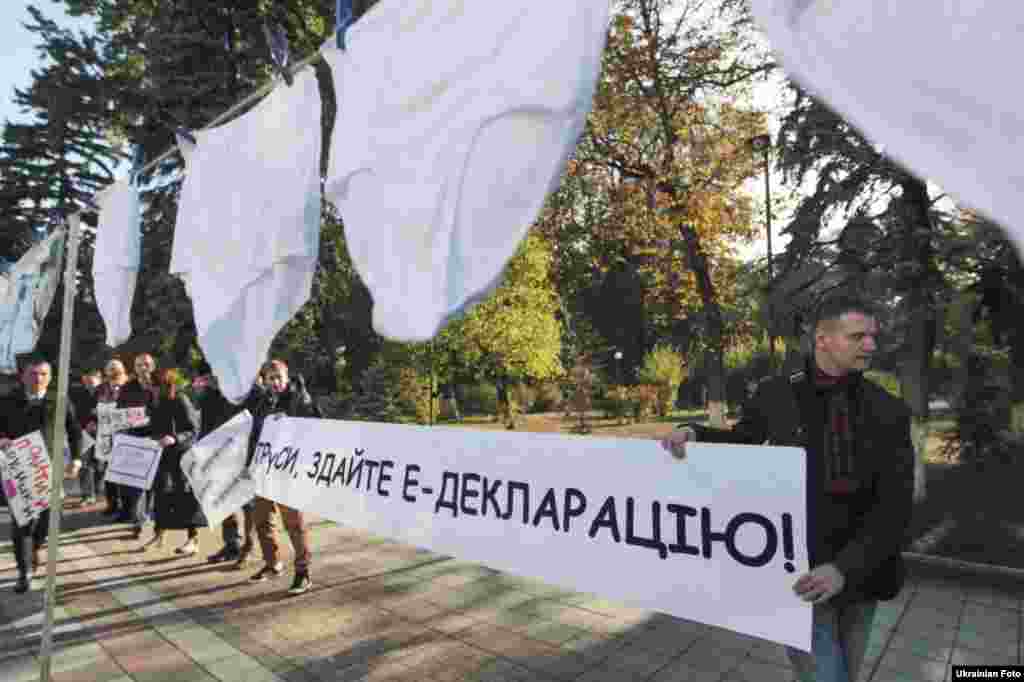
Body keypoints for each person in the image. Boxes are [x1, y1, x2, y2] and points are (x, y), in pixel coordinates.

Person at [660, 295, 914, 682]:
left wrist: (844, 569)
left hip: (864, 574)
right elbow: (743, 441)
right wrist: (694, 432)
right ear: (822, 339)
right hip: (799, 573)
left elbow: (895, 506)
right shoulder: (776, 393)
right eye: (857, 336)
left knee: (843, 674)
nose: (870, 345)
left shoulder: (889, 410)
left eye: (872, 336)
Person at [0, 356, 84, 593]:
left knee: (48, 520)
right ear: (23, 376)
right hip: (17, 469)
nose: (38, 378)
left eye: (43, 374)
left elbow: (75, 431)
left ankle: (35, 546)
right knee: (22, 522)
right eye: (33, 374)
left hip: (50, 469)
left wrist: (77, 459)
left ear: (50, 377)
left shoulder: (59, 400)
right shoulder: (8, 400)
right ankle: (24, 571)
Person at [243, 359, 321, 595]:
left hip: (289, 470)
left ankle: (303, 572)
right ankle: (273, 563)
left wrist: (290, 421)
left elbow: (315, 427)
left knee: (294, 523)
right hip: (264, 470)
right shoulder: (264, 401)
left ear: (286, 377)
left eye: (279, 377)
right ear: (265, 380)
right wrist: (249, 464)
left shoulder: (300, 398)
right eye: (270, 378)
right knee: (262, 520)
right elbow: (254, 435)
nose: (275, 382)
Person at [193, 361, 257, 565]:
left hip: (243, 453)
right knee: (223, 500)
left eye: (213, 376)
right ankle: (232, 544)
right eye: (206, 378)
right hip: (218, 454)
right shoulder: (208, 396)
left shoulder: (242, 393)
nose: (210, 381)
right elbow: (205, 426)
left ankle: (249, 546)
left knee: (247, 503)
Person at [142, 368, 205, 554]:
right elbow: (151, 426)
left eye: (154, 386)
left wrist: (175, 438)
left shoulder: (180, 399)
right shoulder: (153, 400)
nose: (151, 389)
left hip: (181, 454)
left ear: (164, 384)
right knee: (160, 494)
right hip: (160, 454)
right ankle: (158, 534)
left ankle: (193, 539)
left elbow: (193, 429)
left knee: (184, 494)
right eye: (149, 386)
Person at [117, 353, 158, 538]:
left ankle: (152, 516)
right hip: (135, 438)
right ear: (134, 368)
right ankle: (140, 521)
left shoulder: (161, 385)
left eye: (146, 364)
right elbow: (120, 411)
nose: (143, 368)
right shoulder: (127, 388)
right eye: (139, 365)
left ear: (153, 366)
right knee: (138, 483)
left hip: (157, 438)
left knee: (154, 483)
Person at [96, 359, 129, 517]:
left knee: (124, 473)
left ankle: (127, 507)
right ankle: (112, 504)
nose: (114, 371)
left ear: (123, 370)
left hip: (126, 434)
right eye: (110, 368)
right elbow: (93, 406)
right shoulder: (101, 388)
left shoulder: (130, 386)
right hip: (106, 435)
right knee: (109, 473)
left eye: (116, 368)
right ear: (106, 372)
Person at [69, 369, 102, 506]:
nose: (90, 382)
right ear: (83, 380)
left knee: (100, 465)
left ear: (99, 379)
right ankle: (87, 495)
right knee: (84, 464)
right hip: (83, 432)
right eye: (87, 379)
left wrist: (96, 421)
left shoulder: (105, 392)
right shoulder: (77, 394)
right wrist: (85, 425)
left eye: (93, 379)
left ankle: (97, 491)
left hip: (102, 432)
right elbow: (73, 413)